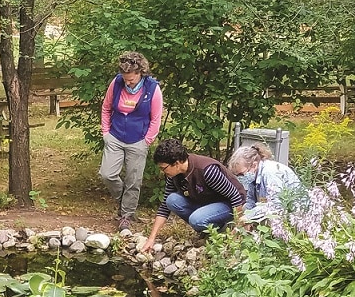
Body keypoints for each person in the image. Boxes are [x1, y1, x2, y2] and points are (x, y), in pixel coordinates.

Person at [141, 139, 246, 250]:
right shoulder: (174, 174)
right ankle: (208, 228)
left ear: (176, 163)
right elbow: (164, 207)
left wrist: (237, 228)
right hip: (208, 202)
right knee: (172, 200)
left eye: (163, 168)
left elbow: (235, 196)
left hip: (230, 203)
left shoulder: (207, 171)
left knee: (196, 220)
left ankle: (221, 229)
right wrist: (151, 239)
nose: (163, 172)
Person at [99, 51, 163, 232]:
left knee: (133, 180)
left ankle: (126, 217)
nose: (127, 82)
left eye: (131, 80)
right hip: (115, 136)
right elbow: (106, 107)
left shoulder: (152, 88)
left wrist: (147, 140)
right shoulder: (116, 82)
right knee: (107, 174)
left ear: (140, 73)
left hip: (139, 140)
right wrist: (106, 132)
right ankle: (124, 203)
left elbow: (156, 118)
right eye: (125, 79)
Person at [228, 143, 302, 222]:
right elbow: (251, 203)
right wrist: (242, 219)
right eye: (238, 175)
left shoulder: (270, 172)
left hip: (295, 214)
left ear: (254, 165)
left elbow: (276, 204)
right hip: (279, 211)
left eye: (242, 174)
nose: (241, 178)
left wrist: (248, 217)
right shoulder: (254, 176)